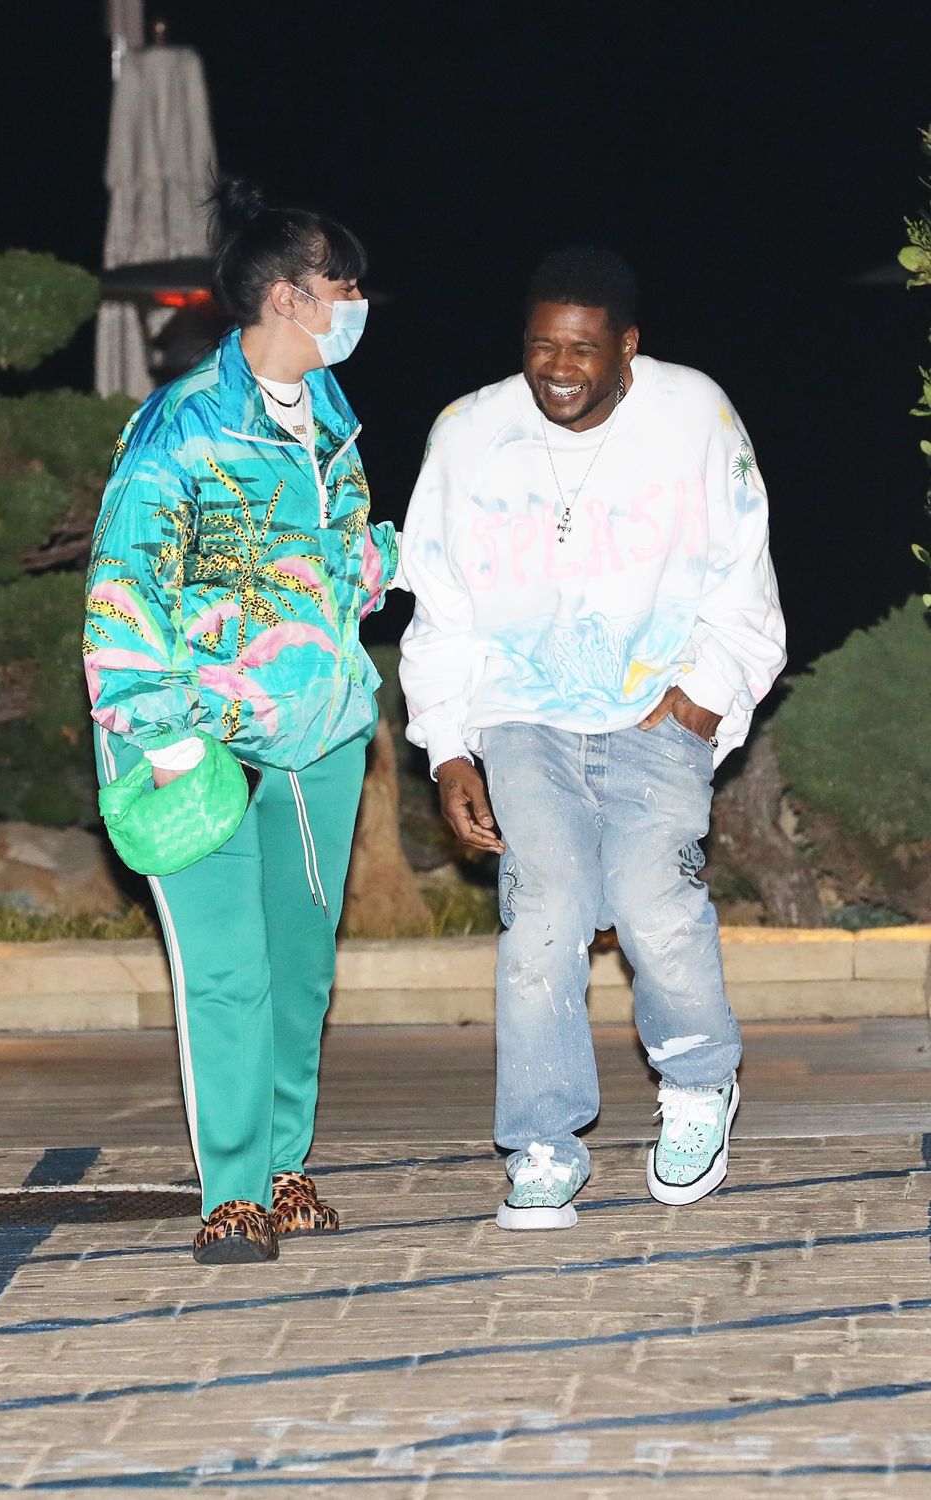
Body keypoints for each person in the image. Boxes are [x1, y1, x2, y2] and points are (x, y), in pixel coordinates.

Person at [399, 246, 785, 1230]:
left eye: (580, 348)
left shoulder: (692, 412)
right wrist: (447, 746)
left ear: (627, 349)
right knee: (542, 917)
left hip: (659, 707)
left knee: (656, 904)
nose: (557, 368)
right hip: (522, 716)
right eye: (540, 345)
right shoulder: (469, 433)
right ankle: (542, 1140)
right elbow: (438, 601)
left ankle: (698, 1084)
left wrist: (707, 692)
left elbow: (742, 567)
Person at [84, 180, 398, 1263]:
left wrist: (416, 561)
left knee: (300, 961)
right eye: (341, 285)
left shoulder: (332, 425)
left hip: (315, 724)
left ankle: (284, 1163)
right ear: (285, 297)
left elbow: (341, 563)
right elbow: (121, 598)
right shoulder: (180, 429)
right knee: (227, 964)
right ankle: (229, 1191)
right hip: (191, 733)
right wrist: (163, 739)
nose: (357, 302)